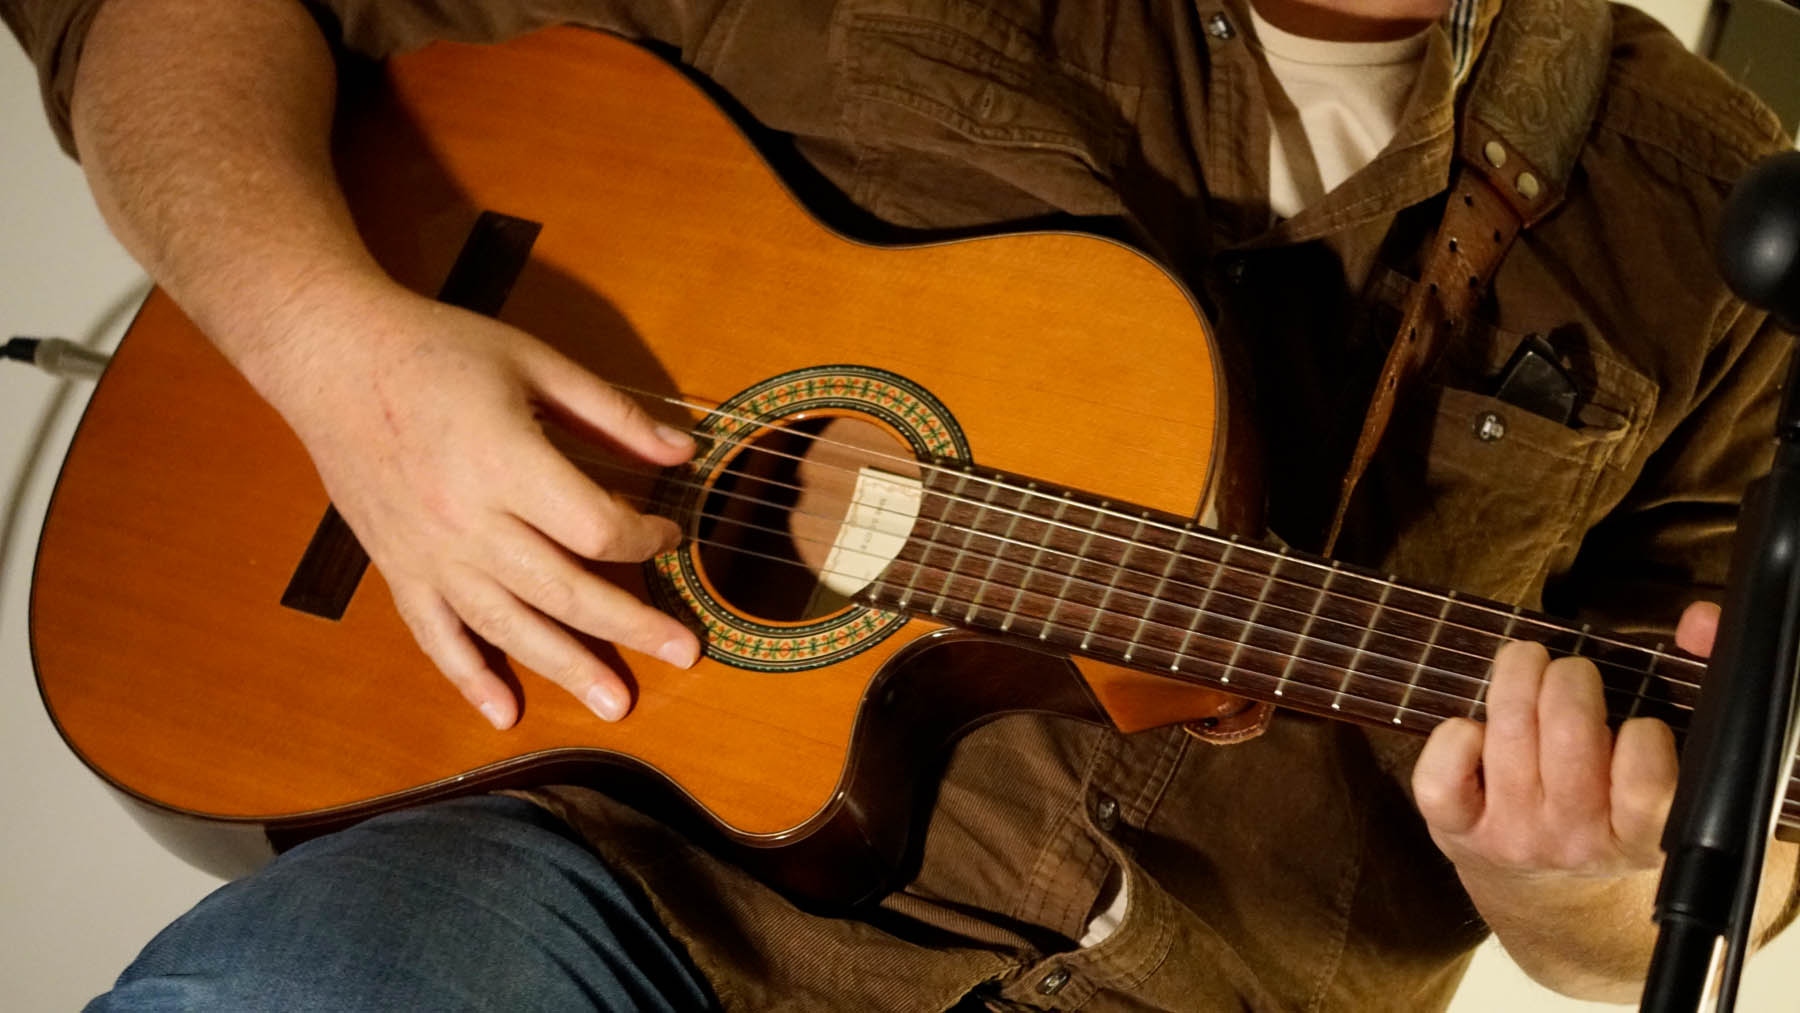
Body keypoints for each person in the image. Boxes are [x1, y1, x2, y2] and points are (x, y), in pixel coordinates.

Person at [5, 0, 1797, 1008]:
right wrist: (342, 358)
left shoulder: (1720, 224)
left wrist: (1571, 866)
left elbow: (1672, 889)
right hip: (598, 886)